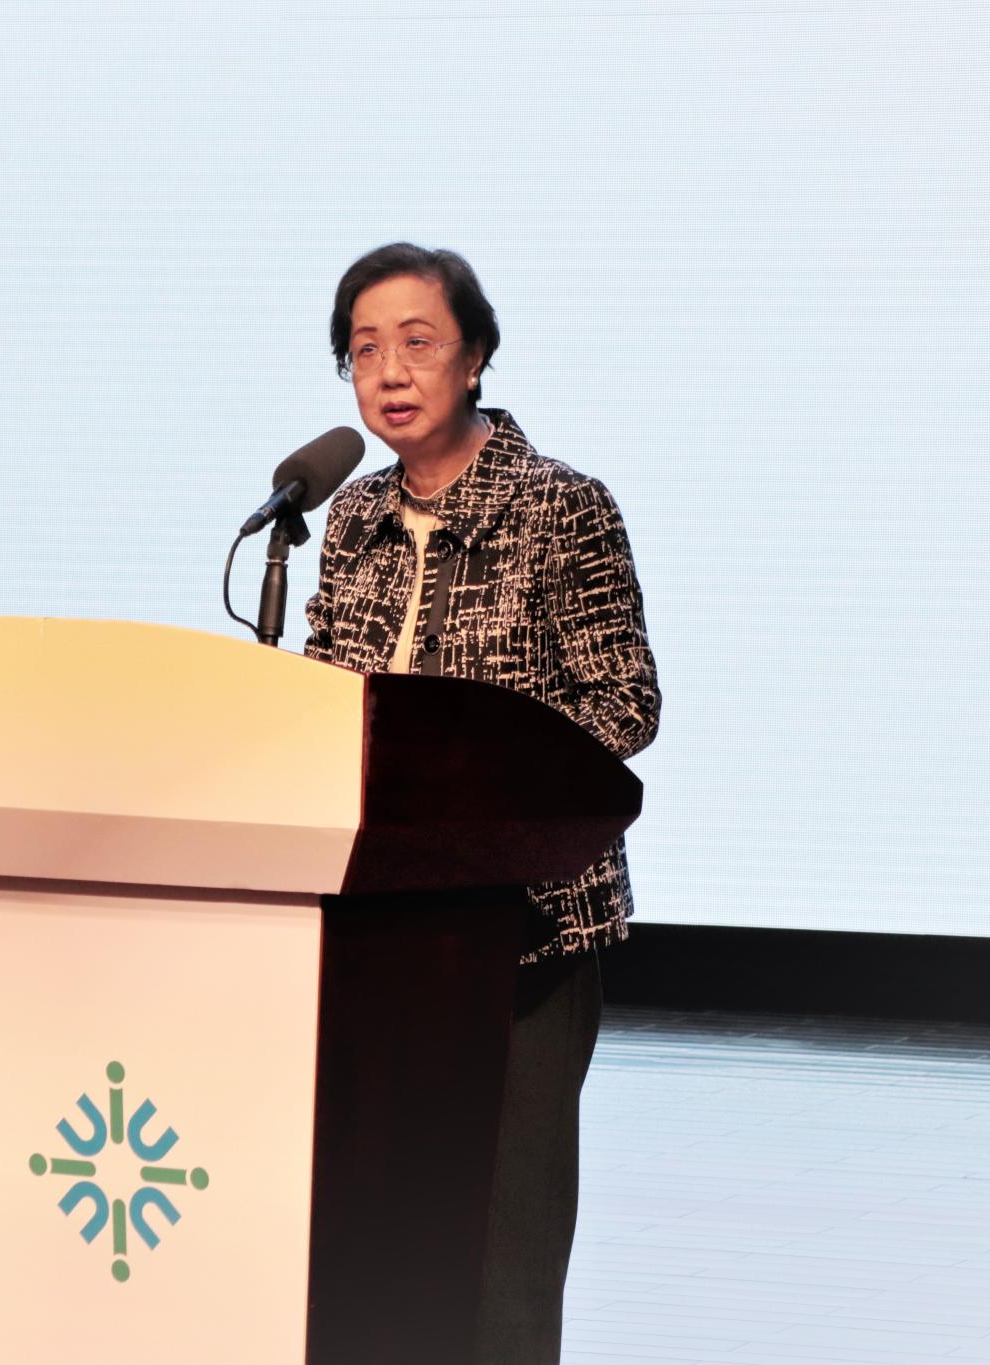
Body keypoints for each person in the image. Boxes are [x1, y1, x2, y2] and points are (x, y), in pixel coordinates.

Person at [303, 242, 661, 1364]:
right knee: (376, 1232)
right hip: (373, 930)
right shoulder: (348, 519)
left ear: (475, 359)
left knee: (505, 1245)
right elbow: (319, 699)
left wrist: (488, 774)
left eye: (417, 342)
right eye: (364, 349)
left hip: (524, 930)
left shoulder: (561, 507)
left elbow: (625, 704)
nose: (389, 371)